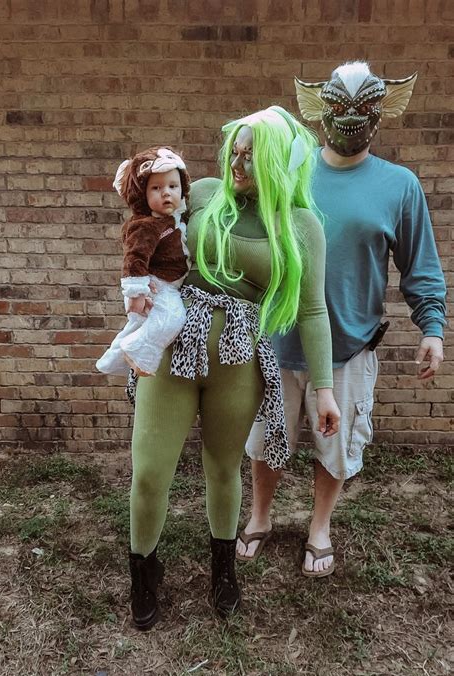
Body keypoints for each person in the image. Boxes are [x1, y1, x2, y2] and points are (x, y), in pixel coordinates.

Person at [124, 106, 340, 630]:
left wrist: (326, 390)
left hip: (238, 357)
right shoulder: (203, 195)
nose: (239, 163)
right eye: (234, 152)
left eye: (252, 155)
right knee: (150, 473)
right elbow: (146, 206)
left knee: (224, 470)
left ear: (277, 163)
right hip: (177, 347)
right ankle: (143, 573)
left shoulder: (302, 226)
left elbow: (312, 310)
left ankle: (224, 571)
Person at [238, 61, 447, 577]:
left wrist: (433, 327)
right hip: (278, 338)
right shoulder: (290, 170)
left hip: (349, 343)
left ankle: (319, 526)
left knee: (334, 445)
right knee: (268, 438)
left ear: (380, 114)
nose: (350, 120)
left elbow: (419, 264)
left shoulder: (399, 185)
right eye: (340, 109)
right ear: (320, 112)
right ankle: (259, 516)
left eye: (362, 110)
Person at [96, 147, 190, 378]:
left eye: (173, 186)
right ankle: (139, 355)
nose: (166, 193)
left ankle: (113, 360)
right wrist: (137, 293)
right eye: (156, 188)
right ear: (143, 194)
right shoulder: (146, 225)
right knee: (172, 317)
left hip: (163, 282)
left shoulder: (170, 219)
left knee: (138, 325)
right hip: (155, 285)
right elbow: (134, 258)